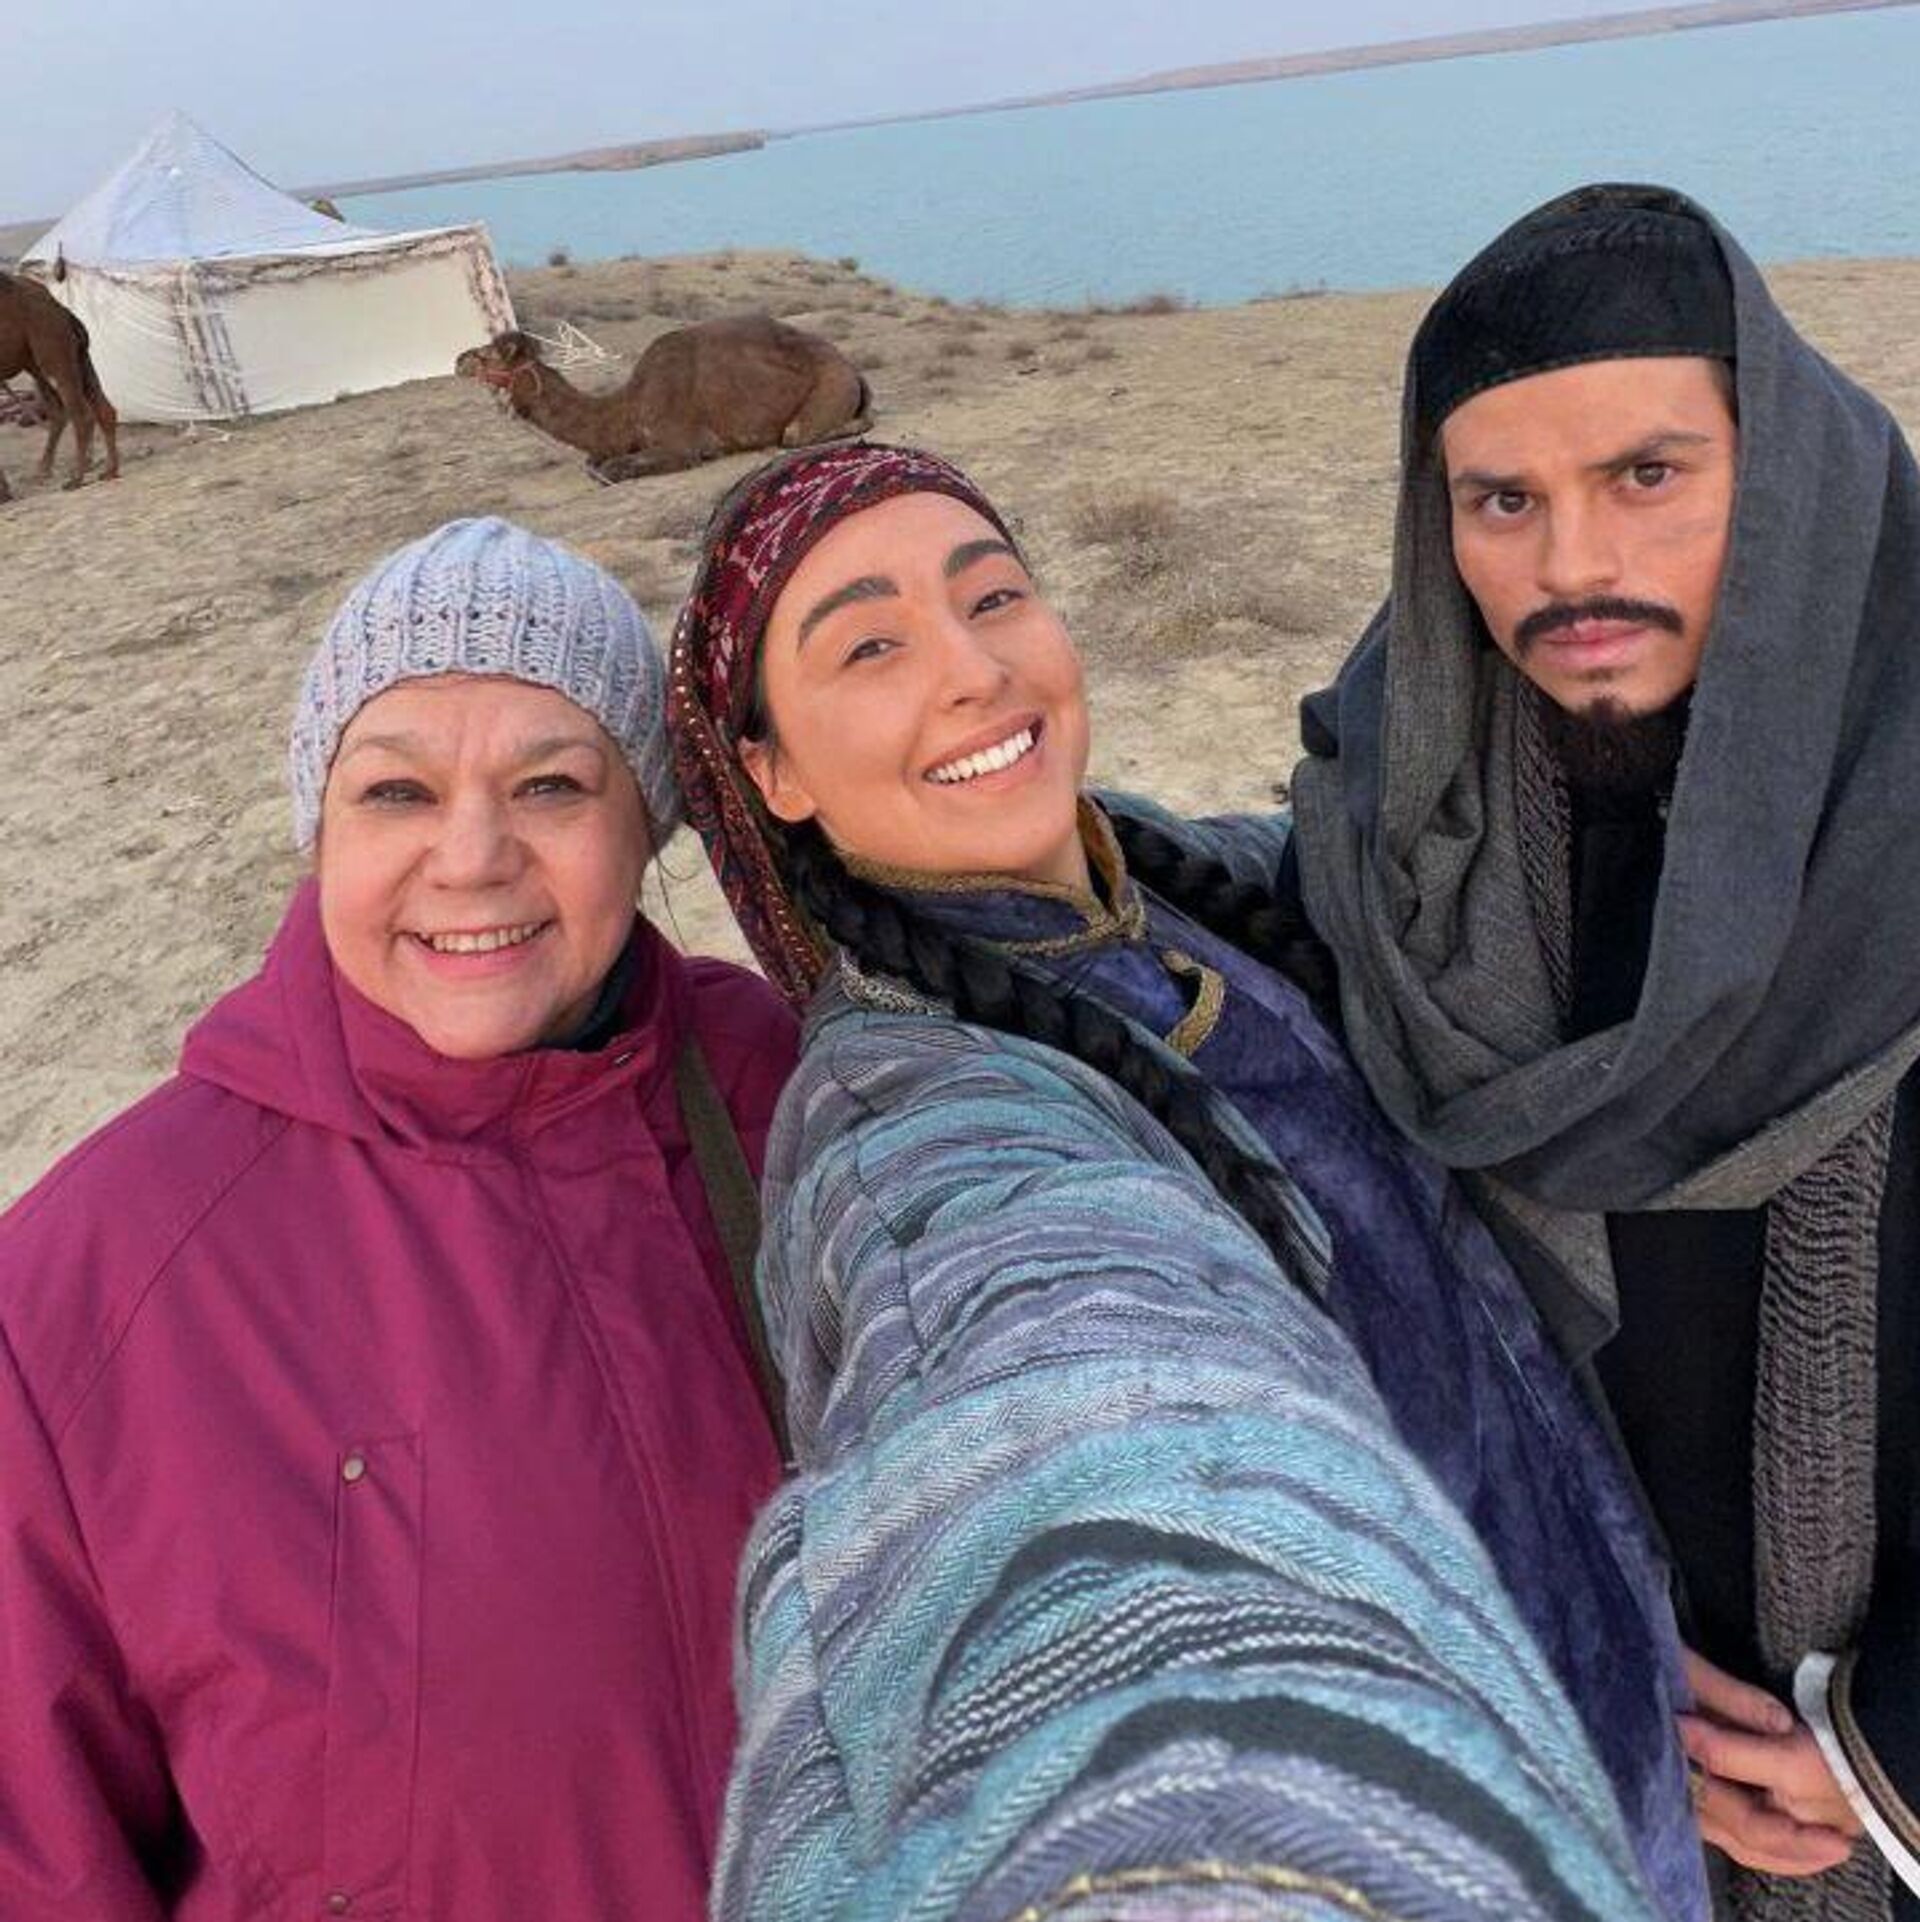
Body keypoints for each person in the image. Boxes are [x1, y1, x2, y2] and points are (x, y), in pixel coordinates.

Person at [667, 441, 1702, 1919]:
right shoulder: (907, 1129)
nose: (974, 671)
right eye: (872, 646)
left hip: (1624, 1739)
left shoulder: (1180, 881)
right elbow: (1060, 1404)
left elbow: (1457, 799)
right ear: (770, 771)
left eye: (993, 595)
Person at [0, 518, 797, 1920]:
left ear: (648, 823)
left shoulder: (794, 1098)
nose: (470, 856)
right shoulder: (86, 1287)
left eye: (550, 784)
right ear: (322, 830)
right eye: (396, 791)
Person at [1288, 183, 1920, 1919]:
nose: (1571, 566)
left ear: (1782, 474)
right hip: (1590, 1769)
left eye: (1648, 474)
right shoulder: (1406, 847)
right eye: (1503, 500)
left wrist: (1886, 1748)